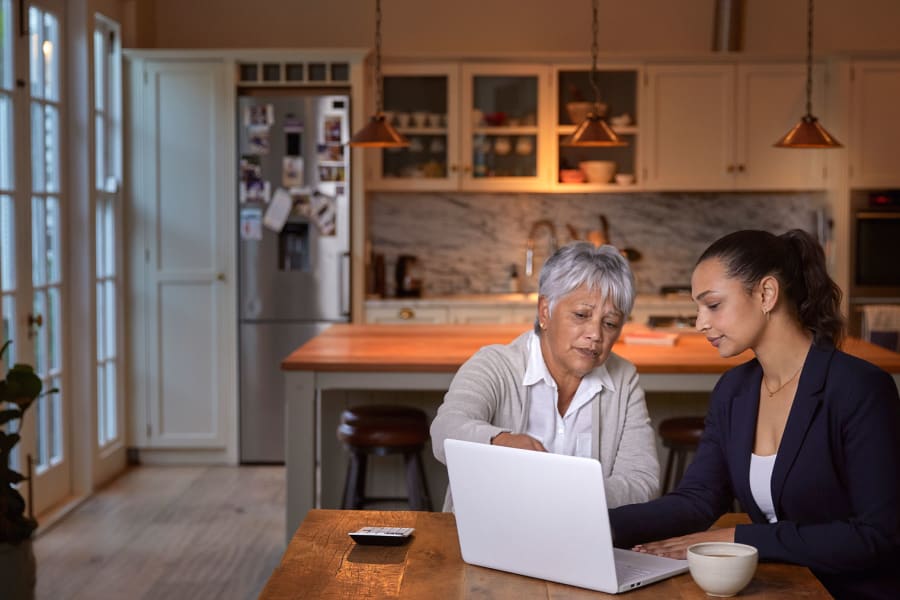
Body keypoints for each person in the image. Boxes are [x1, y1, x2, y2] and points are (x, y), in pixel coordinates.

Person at [609, 229, 900, 599]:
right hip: (780, 588)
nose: (700, 323)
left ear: (766, 294)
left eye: (712, 305)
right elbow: (697, 500)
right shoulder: (734, 391)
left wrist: (740, 537)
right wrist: (598, 524)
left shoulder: (859, 389)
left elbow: (877, 534)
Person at [431, 242, 660, 511]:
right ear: (545, 312)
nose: (596, 334)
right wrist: (500, 442)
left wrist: (561, 492)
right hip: (486, 541)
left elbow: (642, 482)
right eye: (581, 315)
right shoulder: (494, 364)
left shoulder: (624, 379)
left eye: (609, 323)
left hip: (582, 542)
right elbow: (445, 430)